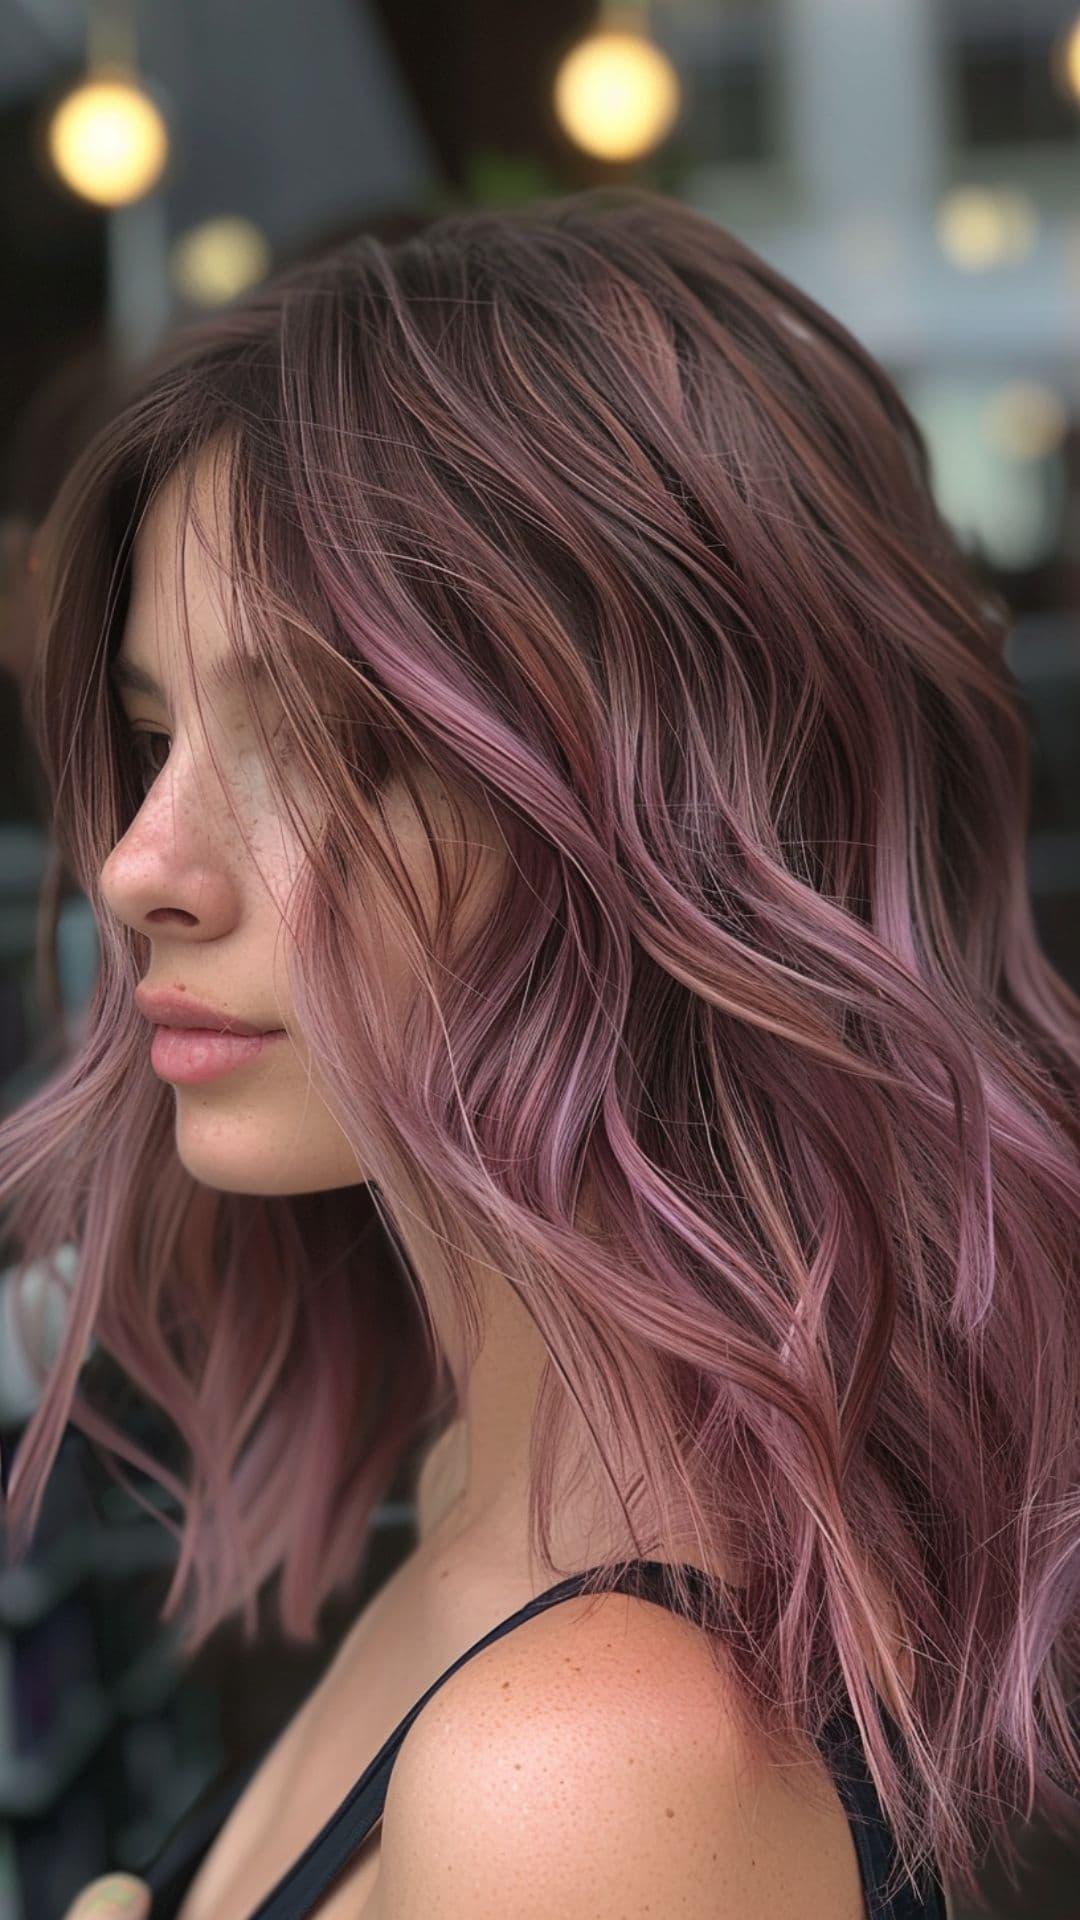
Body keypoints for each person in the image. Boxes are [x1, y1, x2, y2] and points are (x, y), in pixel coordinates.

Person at [3, 184, 1079, 1920]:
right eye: (154, 731)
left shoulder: (584, 1765)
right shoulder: (503, 1499)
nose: (140, 864)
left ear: (679, 832)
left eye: (342, 744)